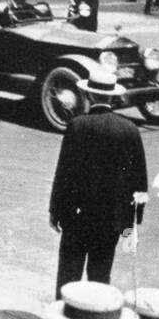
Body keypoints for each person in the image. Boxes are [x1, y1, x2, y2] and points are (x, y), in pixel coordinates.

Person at [49, 66, 148, 298]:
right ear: (113, 96)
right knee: (100, 274)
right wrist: (132, 222)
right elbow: (139, 179)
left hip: (77, 215)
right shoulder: (130, 129)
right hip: (112, 217)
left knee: (69, 271)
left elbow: (64, 173)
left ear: (89, 95)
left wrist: (55, 211)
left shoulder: (77, 126)